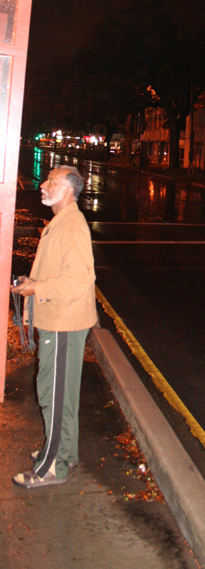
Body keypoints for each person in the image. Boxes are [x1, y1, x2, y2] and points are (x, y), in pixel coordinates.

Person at [11, 165, 97, 488]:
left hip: (63, 323)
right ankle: (65, 451)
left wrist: (37, 288)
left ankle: (51, 467)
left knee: (53, 393)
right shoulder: (64, 221)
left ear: (69, 191)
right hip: (61, 321)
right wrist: (33, 283)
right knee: (64, 393)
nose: (44, 185)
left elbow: (78, 281)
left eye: (52, 181)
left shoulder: (71, 226)